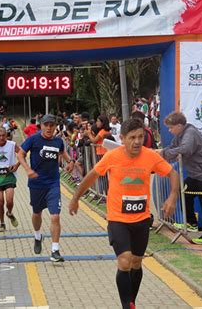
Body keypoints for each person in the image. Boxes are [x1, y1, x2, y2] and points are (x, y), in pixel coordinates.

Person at [69, 118, 179, 309]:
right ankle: (126, 306)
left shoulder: (150, 156)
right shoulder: (112, 157)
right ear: (122, 138)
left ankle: (131, 301)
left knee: (136, 262)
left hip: (142, 219)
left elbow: (173, 174)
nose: (137, 141)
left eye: (140, 137)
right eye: (132, 138)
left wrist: (172, 197)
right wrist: (75, 198)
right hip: (118, 219)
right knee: (125, 260)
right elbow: (91, 177)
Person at [159, 112, 202, 244]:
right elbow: (172, 148)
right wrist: (161, 153)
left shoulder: (190, 133)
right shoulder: (180, 135)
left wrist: (163, 154)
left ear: (179, 125)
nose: (170, 131)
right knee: (184, 191)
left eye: (171, 128)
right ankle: (191, 222)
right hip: (197, 174)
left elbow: (185, 149)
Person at [17, 114, 74, 262]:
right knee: (37, 213)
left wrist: (70, 161)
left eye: (52, 125)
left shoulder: (58, 141)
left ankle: (55, 250)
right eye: (46, 125)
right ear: (41, 126)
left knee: (55, 216)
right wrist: (28, 170)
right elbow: (20, 154)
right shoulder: (33, 139)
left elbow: (62, 152)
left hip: (53, 183)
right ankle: (37, 236)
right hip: (36, 184)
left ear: (55, 127)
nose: (49, 128)